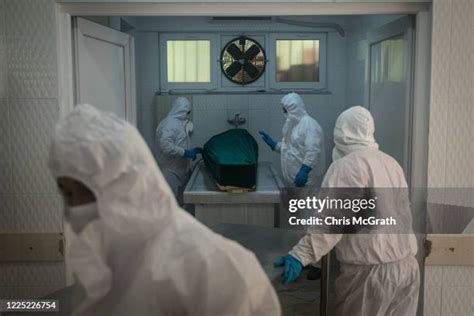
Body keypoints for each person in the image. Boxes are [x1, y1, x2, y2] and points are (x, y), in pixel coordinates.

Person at [48, 104, 281, 316]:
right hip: (172, 168)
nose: (72, 209)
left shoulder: (212, 267)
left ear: (125, 183)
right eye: (66, 194)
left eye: (85, 192)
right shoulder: (99, 260)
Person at [273, 106, 420, 316]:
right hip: (407, 268)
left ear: (341, 132)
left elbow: (331, 221)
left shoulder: (347, 166)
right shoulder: (390, 162)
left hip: (370, 274)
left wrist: (301, 254)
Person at [259, 92, 325, 188]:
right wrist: (275, 145)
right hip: (293, 180)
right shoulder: (294, 124)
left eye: (285, 110)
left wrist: (305, 170)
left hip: (305, 181)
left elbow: (313, 151)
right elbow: (292, 148)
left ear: (293, 108)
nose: (284, 112)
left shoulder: (309, 124)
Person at [156, 97, 202, 199]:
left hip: (179, 169)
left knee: (179, 202)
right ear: (181, 110)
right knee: (170, 203)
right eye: (187, 111)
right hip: (169, 171)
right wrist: (185, 153)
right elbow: (166, 146)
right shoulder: (169, 124)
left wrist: (190, 153)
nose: (188, 114)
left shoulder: (179, 123)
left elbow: (180, 143)